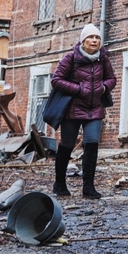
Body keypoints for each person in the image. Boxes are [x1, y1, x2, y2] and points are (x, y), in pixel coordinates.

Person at [51, 23, 116, 200]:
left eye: (97, 38)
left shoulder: (103, 59)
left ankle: (88, 186)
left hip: (94, 108)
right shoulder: (70, 58)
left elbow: (112, 79)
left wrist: (103, 87)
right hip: (72, 109)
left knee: (92, 143)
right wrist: (78, 89)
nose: (94, 40)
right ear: (83, 41)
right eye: (91, 37)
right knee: (67, 145)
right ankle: (60, 183)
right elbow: (56, 80)